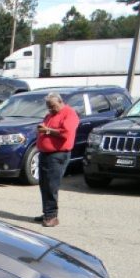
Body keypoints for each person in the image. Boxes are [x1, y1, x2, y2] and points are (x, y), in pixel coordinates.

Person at [34, 92, 79, 227]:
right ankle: (47, 213)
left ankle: (52, 216)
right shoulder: (50, 115)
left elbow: (66, 133)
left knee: (51, 185)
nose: (51, 109)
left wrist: (47, 130)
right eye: (48, 107)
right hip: (45, 154)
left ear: (60, 102)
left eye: (53, 106)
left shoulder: (69, 114)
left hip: (57, 155)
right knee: (44, 185)